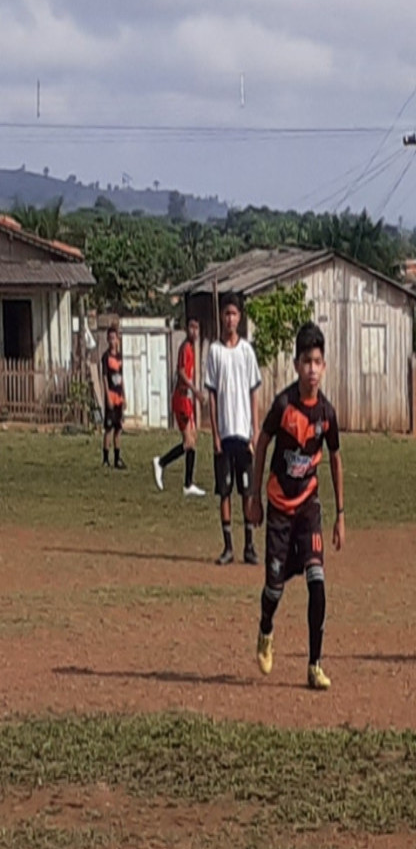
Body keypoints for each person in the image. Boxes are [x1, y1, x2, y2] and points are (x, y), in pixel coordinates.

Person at [247, 321, 344, 691]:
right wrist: (254, 497)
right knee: (274, 587)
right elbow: (263, 443)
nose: (312, 369)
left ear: (324, 366)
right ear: (295, 364)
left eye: (318, 362)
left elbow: (335, 458)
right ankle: (265, 629)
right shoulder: (284, 405)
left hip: (309, 508)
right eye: (306, 361)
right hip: (279, 509)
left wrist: (341, 515)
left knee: (317, 583)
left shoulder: (327, 414)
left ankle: (314, 664)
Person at [204, 296, 262, 565]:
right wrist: (215, 433)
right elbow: (212, 395)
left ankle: (250, 546)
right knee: (224, 491)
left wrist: (255, 430)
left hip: (244, 432)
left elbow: (254, 392)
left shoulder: (247, 351)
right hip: (225, 433)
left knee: (247, 492)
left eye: (234, 314)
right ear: (222, 317)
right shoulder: (214, 351)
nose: (230, 318)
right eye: (226, 313)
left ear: (240, 318)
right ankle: (228, 547)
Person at [153, 317, 206, 497]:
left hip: (187, 399)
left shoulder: (191, 349)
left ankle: (188, 484)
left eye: (197, 328)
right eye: (191, 327)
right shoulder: (185, 348)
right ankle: (161, 462)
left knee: (193, 440)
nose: (194, 331)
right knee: (188, 442)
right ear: (186, 329)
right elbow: (181, 372)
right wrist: (195, 390)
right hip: (181, 398)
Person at [100, 325, 126, 469]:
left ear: (117, 339)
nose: (112, 341)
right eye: (109, 338)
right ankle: (105, 459)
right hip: (110, 395)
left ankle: (117, 459)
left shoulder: (119, 356)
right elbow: (104, 377)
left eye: (114, 338)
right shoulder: (105, 357)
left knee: (118, 428)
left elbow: (122, 378)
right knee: (108, 428)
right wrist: (107, 396)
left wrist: (125, 396)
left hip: (119, 396)